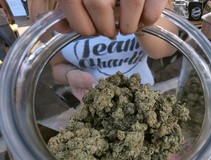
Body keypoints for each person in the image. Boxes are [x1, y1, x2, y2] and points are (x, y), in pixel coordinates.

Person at [29, 0, 177, 100]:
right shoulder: (43, 6)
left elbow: (167, 48)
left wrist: (141, 21)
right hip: (91, 105)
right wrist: (69, 74)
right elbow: (56, 66)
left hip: (144, 100)